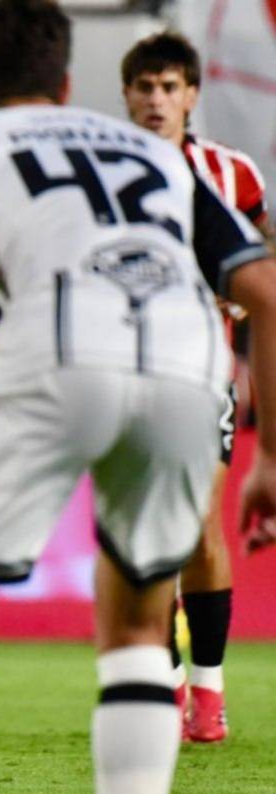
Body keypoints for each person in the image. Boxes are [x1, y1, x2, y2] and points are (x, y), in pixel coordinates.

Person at [0, 2, 276, 794]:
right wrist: (269, 455)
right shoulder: (160, 156)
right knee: (139, 630)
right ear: (65, 84)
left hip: (59, 350)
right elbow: (264, 289)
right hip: (190, 369)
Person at [120, 30, 272, 742]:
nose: (157, 100)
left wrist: (244, 293)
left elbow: (264, 250)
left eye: (169, 87)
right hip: (121, 372)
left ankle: (208, 694)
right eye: (145, 87)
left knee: (200, 525)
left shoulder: (231, 173)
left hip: (203, 369)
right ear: (127, 95)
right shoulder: (103, 172)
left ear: (192, 95)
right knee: (139, 538)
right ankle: (168, 679)